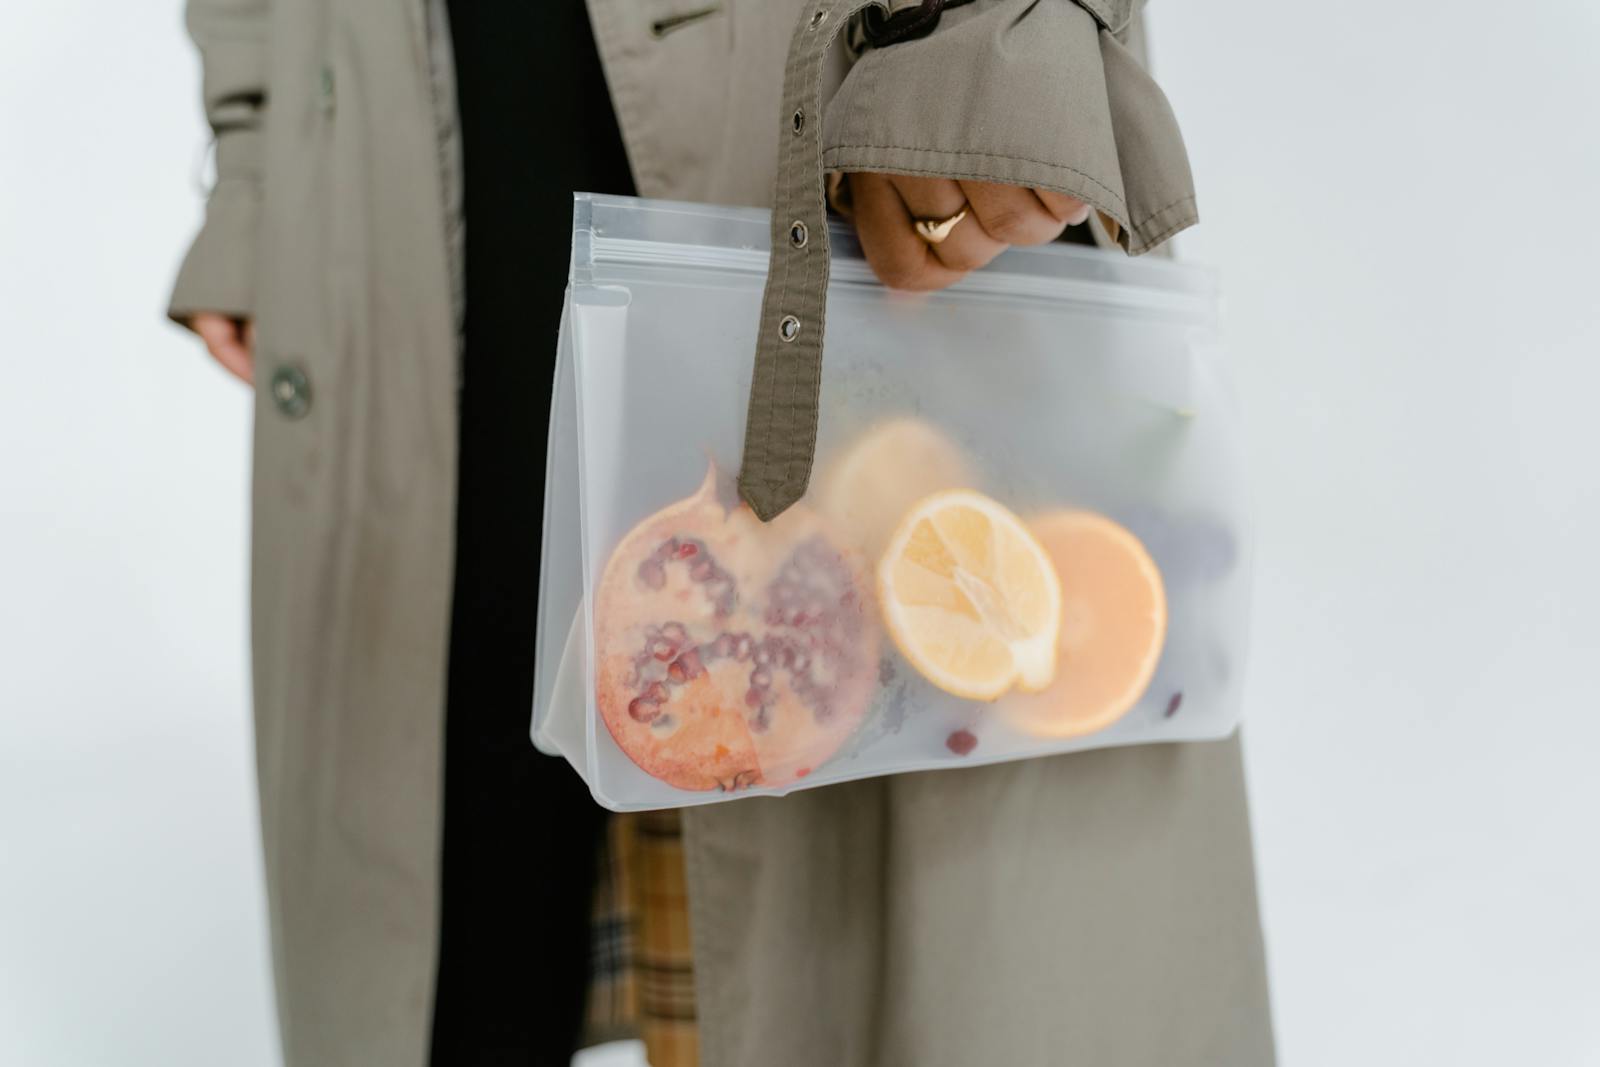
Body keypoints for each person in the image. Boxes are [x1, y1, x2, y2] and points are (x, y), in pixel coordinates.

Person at [172, 1, 1274, 1064]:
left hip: (856, 90)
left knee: (902, 912)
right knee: (466, 895)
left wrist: (1020, 29)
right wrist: (259, 157)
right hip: (412, 131)